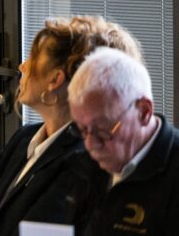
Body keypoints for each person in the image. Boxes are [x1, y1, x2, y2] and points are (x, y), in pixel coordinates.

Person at [0, 16, 142, 236]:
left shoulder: (89, 162)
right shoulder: (23, 139)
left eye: (33, 57)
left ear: (55, 80)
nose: (22, 66)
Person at [68, 46, 179, 234]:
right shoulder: (81, 166)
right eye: (82, 129)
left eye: (103, 129)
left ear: (143, 112)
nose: (90, 144)